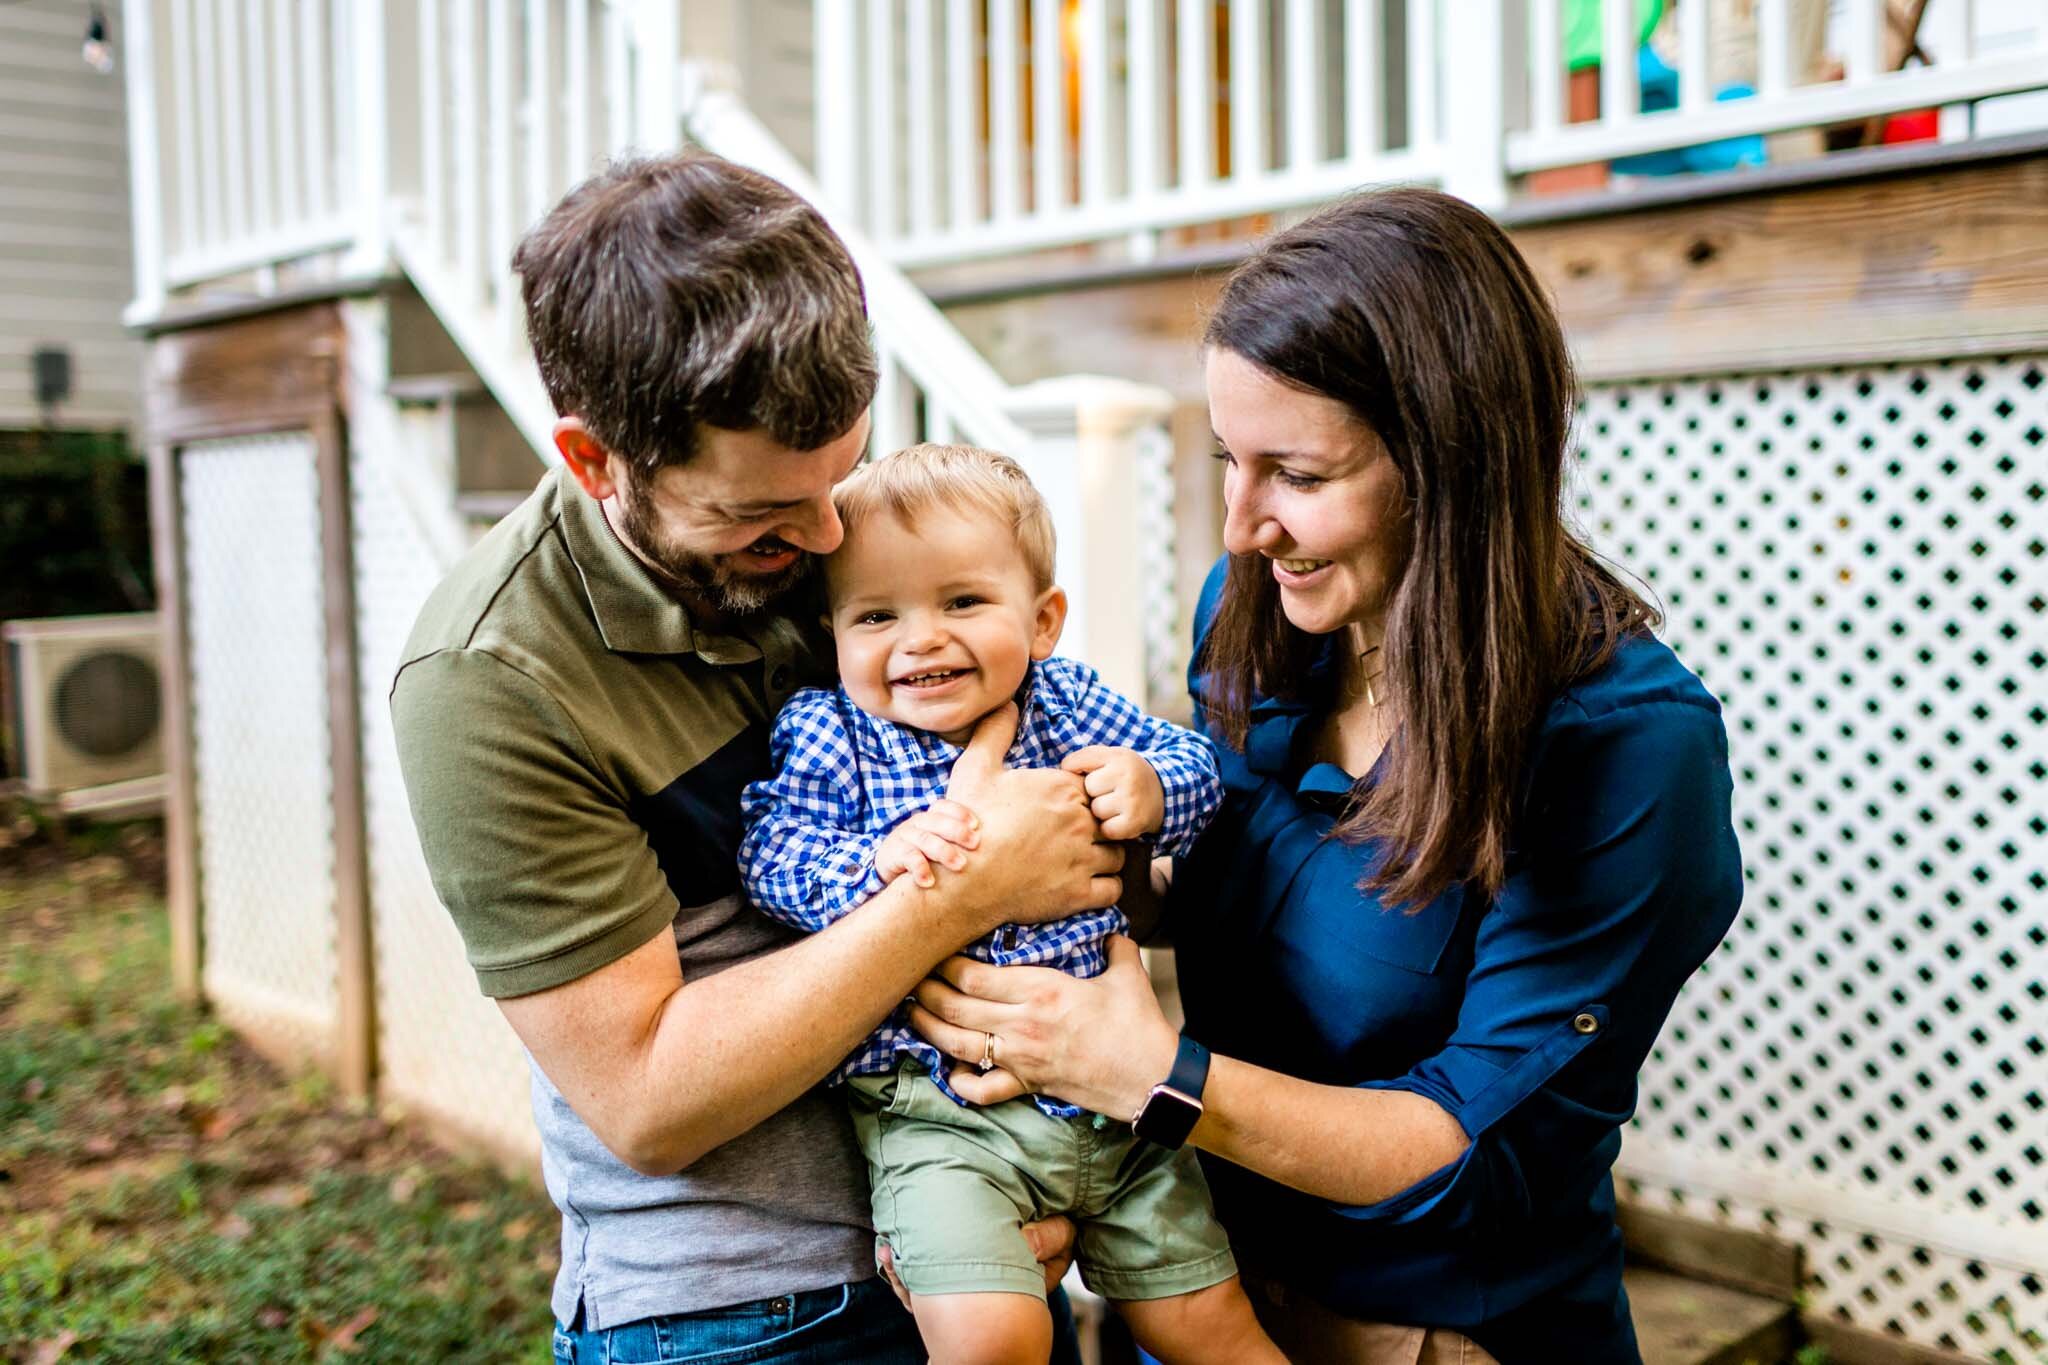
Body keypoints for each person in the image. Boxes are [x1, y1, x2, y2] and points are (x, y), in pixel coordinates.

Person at [901, 188, 1745, 1364]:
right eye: (1226, 462)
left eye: (1294, 475)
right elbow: (1226, 897)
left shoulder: (1622, 742)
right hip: (1198, 1295)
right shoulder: (1258, 617)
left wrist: (1146, 1074)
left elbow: (1460, 1148)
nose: (1241, 525)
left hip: (1444, 1336)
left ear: (1447, 462)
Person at [390, 153, 1118, 1364]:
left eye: (840, 473)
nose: (831, 537)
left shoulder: (826, 538)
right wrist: (967, 889)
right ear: (593, 460)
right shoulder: (492, 681)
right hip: (742, 1316)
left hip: (986, 1222)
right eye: (761, 513)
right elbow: (648, 1097)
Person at [739, 443, 1285, 1365]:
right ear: (833, 636)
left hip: (1118, 1104)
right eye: (877, 614)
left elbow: (1198, 768)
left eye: (961, 602)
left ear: (1041, 621)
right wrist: (875, 863)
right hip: (940, 1115)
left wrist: (1150, 786)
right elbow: (771, 856)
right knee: (994, 1338)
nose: (920, 638)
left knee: (1210, 1325)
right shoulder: (833, 735)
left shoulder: (1065, 701)